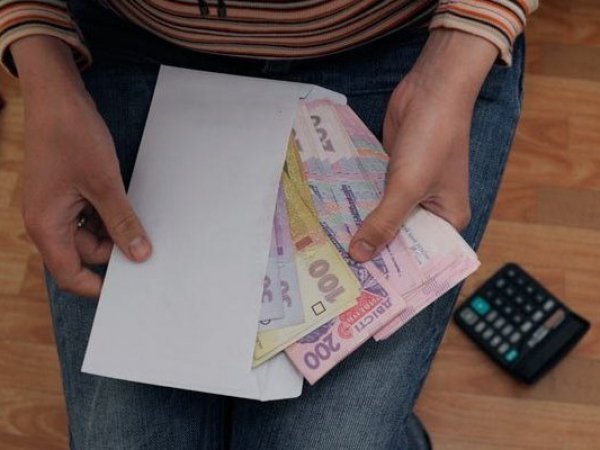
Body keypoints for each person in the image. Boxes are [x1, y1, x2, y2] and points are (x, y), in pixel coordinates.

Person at [1, 0, 537, 448]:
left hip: (399, 41)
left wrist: (455, 58)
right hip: (129, 38)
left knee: (338, 437)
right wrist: (42, 66)